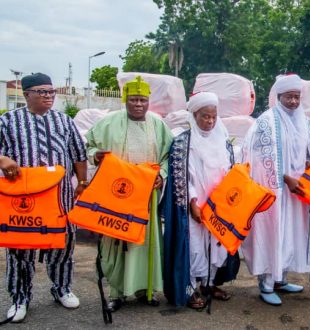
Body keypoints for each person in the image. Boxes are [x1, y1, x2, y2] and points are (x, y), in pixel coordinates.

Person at [0, 73, 87, 322]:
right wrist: (3, 159)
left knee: (64, 245)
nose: (48, 96)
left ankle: (61, 288)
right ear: (27, 94)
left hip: (60, 199)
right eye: (42, 92)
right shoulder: (8, 121)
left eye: (51, 92)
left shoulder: (64, 121)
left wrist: (81, 182)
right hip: (24, 201)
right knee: (21, 250)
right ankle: (19, 298)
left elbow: (79, 154)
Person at [85, 76, 173, 312]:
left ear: (148, 101)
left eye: (142, 100)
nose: (138, 104)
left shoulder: (158, 125)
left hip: (146, 196)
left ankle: (147, 290)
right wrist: (96, 155)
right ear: (125, 99)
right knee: (116, 242)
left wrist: (161, 175)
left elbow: (169, 157)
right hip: (118, 194)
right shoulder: (109, 123)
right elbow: (88, 145)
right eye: (133, 99)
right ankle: (117, 293)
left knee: (145, 242)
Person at [241, 74, 310, 306]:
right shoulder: (266, 122)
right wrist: (286, 179)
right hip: (274, 192)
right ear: (279, 97)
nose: (294, 102)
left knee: (291, 234)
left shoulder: (304, 121)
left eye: (297, 97)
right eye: (289, 97)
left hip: (297, 193)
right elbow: (257, 159)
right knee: (273, 233)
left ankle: (281, 279)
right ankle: (266, 284)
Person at [162, 92, 239, 309]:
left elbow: (230, 173)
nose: (210, 121)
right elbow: (183, 175)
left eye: (214, 117)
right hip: (193, 206)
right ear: (194, 115)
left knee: (216, 247)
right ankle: (190, 289)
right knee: (194, 247)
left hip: (219, 206)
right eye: (205, 116)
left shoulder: (223, 143)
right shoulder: (182, 143)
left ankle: (209, 284)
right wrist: (193, 203)